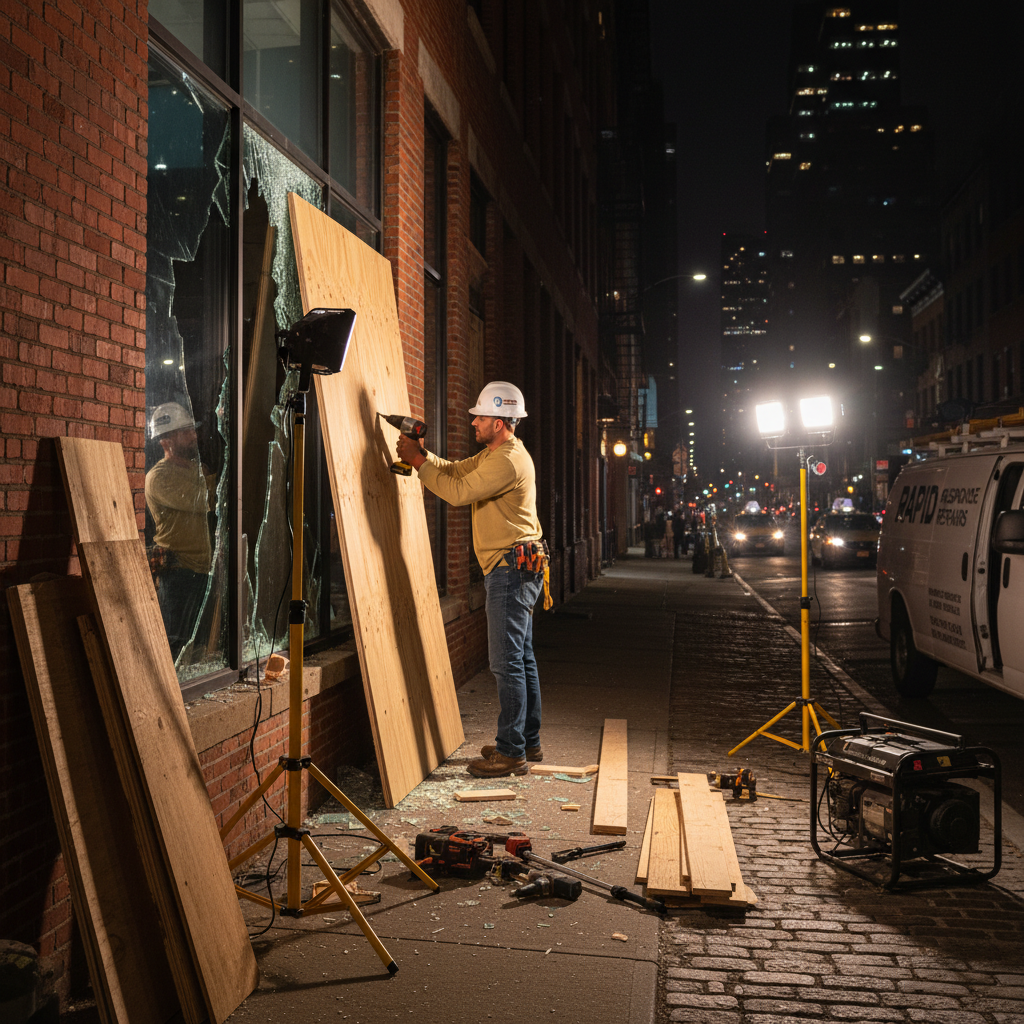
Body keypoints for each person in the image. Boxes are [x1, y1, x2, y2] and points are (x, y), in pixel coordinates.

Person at [395, 382, 547, 779]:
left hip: (510, 570)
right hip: (518, 566)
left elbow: (459, 492)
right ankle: (526, 740)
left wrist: (416, 463)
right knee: (522, 657)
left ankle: (512, 752)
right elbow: (458, 470)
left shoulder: (507, 461)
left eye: (480, 417)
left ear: (499, 422)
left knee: (506, 662)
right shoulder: (496, 454)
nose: (474, 422)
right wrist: (424, 456)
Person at [145, 402, 215, 659]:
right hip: (178, 574)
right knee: (174, 645)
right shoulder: (159, 477)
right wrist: (213, 485)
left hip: (203, 571)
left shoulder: (200, 470)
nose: (194, 436)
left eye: (192, 430)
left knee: (199, 649)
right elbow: (204, 499)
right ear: (166, 439)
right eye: (186, 432)